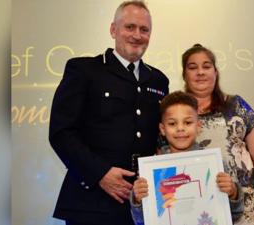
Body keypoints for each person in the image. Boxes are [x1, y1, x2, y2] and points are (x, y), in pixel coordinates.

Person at [48, 1, 169, 225]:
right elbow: (61, 132)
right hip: (91, 203)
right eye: (130, 27)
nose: (137, 35)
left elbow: (163, 137)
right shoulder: (84, 70)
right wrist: (100, 173)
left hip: (144, 204)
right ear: (113, 30)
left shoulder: (158, 80)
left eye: (144, 29)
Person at [180, 44, 254, 225]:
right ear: (185, 75)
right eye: (193, 68)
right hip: (202, 211)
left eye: (206, 66)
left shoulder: (237, 105)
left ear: (216, 72)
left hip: (247, 210)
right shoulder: (176, 114)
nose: (200, 72)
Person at [130, 91, 244, 225]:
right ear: (162, 129)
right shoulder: (151, 171)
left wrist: (232, 192)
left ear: (198, 126)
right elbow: (140, 220)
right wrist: (138, 199)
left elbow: (235, 214)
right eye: (172, 124)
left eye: (188, 122)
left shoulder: (214, 164)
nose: (180, 129)